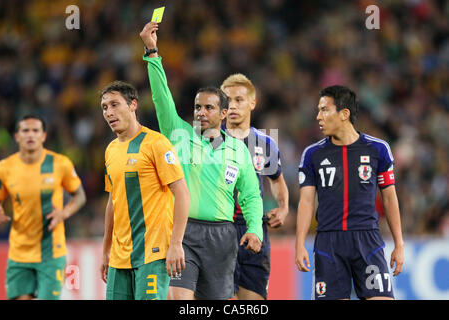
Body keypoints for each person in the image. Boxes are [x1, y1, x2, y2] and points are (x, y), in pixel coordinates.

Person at [140, 22, 264, 300]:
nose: (201, 112)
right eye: (198, 107)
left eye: (209, 107)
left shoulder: (237, 150)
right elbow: (162, 97)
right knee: (179, 298)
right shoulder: (179, 134)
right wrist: (152, 52)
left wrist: (255, 229)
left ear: (223, 114)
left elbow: (251, 196)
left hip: (222, 236)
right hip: (184, 232)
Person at [295, 85, 404, 300]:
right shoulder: (312, 154)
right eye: (318, 110)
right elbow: (306, 202)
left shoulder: (378, 149)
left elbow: (389, 198)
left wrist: (399, 244)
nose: (318, 117)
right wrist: (299, 243)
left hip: (368, 240)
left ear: (344, 114)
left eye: (324, 110)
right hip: (329, 243)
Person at [99, 80, 190, 300]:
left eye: (114, 104)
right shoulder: (111, 150)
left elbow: (182, 193)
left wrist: (176, 243)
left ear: (133, 105)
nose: (109, 112)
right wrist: (106, 250)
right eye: (104, 107)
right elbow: (114, 201)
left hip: (153, 252)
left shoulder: (156, 144)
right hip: (120, 258)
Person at [0, 114, 86, 300]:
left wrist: (64, 213)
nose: (30, 135)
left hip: (51, 251)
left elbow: (80, 196)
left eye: (35, 130)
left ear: (43, 136)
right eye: (25, 130)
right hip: (19, 250)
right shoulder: (5, 168)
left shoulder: (60, 163)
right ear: (17, 136)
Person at [220, 74, 289, 300]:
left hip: (255, 229)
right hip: (219, 229)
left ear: (252, 103)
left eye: (239, 100)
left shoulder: (264, 143)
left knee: (253, 300)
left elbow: (276, 180)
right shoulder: (208, 141)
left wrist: (283, 206)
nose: (232, 106)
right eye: (227, 100)